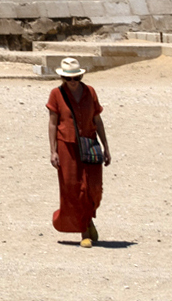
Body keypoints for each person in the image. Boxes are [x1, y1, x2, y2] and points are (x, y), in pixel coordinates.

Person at [46, 56, 113, 245]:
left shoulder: (90, 92)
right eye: (69, 79)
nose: (73, 82)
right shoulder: (56, 94)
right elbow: (52, 124)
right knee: (73, 188)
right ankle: (84, 231)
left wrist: (106, 146)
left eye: (76, 78)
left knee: (93, 188)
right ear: (63, 79)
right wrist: (53, 151)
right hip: (67, 147)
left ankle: (88, 219)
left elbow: (97, 119)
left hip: (90, 144)